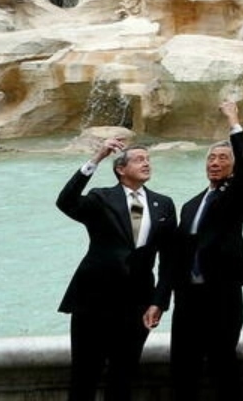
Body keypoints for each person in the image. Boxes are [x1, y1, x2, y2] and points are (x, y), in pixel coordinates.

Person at [56, 137, 177, 401]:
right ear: (121, 169)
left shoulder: (164, 204)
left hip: (137, 303)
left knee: (123, 377)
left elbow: (170, 260)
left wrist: (159, 302)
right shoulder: (100, 197)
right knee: (84, 376)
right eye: (139, 159)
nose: (146, 163)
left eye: (148, 159)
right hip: (93, 300)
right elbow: (65, 202)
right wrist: (96, 158)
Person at [170, 100, 243, 401]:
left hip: (222, 293)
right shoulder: (190, 205)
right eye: (211, 158)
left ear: (233, 166)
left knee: (224, 365)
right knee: (183, 367)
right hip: (187, 298)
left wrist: (233, 120)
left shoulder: (237, 193)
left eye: (222, 158)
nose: (215, 162)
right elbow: (178, 252)